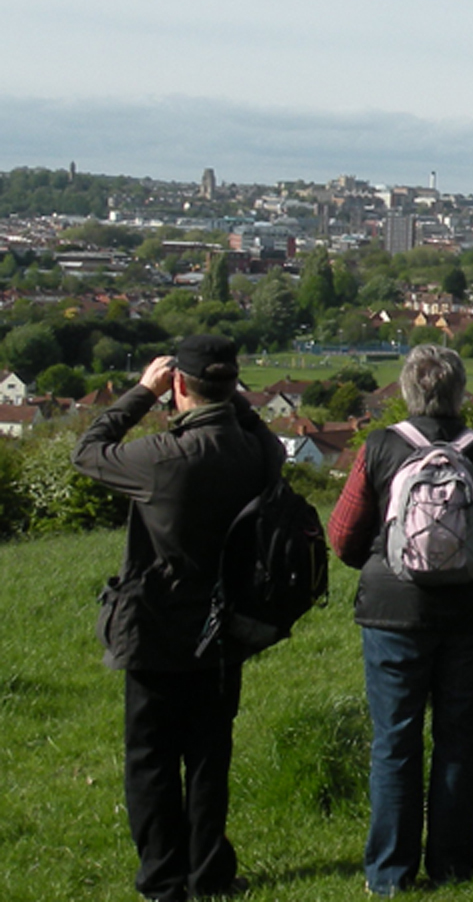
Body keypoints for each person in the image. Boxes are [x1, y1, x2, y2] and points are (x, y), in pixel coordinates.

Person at [72, 334, 283, 902]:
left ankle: (164, 879)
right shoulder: (257, 452)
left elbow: (87, 450)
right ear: (232, 386)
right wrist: (230, 397)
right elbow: (264, 434)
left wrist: (142, 392)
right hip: (228, 627)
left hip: (157, 627)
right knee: (210, 756)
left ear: (179, 385)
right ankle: (210, 870)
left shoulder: (161, 459)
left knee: (152, 759)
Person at [328, 345, 473, 896]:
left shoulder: (380, 447)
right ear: (461, 393)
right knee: (459, 738)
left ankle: (390, 874)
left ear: (408, 391)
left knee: (394, 741)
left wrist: (382, 562)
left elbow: (342, 536)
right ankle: (452, 866)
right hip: (472, 614)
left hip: (393, 614)